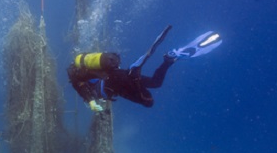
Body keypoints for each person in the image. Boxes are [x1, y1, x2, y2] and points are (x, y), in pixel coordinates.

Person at [68, 26, 222, 112]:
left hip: (113, 83)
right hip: (117, 78)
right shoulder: (84, 72)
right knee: (155, 83)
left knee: (148, 101)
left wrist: (91, 103)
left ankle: (136, 70)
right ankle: (168, 60)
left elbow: (81, 88)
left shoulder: (77, 76)